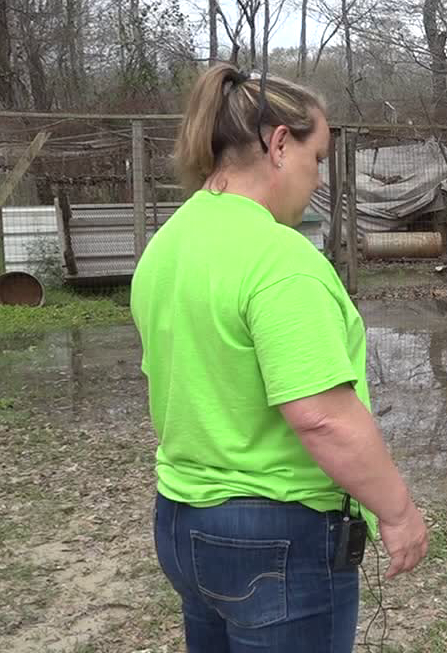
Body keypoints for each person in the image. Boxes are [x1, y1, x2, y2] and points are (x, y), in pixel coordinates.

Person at [131, 63, 429, 652]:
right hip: (275, 538)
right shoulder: (279, 259)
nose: (318, 180)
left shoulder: (170, 241)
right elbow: (321, 416)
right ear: (279, 144)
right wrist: (396, 512)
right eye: (317, 159)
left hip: (182, 523)